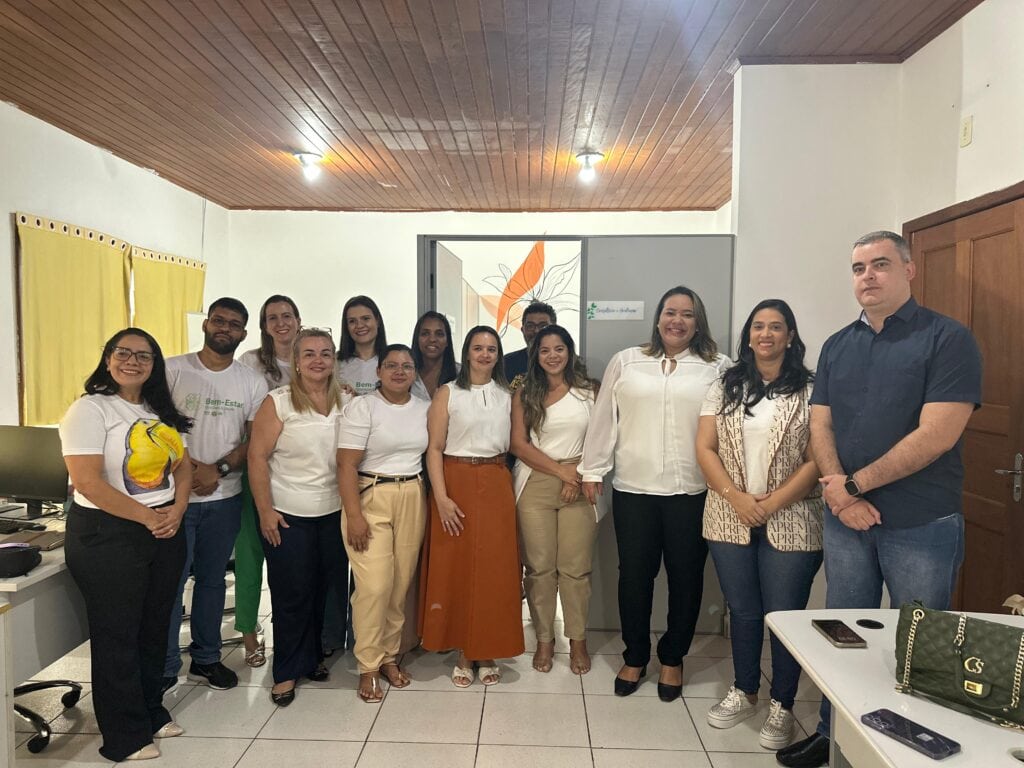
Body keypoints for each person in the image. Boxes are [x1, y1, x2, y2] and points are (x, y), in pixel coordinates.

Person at [777, 231, 982, 768]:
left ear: (909, 270)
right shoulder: (837, 345)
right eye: (858, 267)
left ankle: (912, 750)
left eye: (880, 264)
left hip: (920, 522)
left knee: (920, 645)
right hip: (846, 522)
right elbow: (821, 425)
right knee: (841, 636)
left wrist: (852, 487)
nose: (867, 276)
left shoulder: (947, 339)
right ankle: (833, 735)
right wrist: (841, 494)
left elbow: (937, 435)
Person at [580, 286, 728, 701]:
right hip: (634, 490)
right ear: (658, 318)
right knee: (634, 578)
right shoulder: (627, 361)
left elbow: (728, 427)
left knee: (686, 579)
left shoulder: (718, 367)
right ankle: (635, 655)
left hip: (692, 492)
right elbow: (604, 418)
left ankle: (673, 658)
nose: (677, 321)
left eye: (687, 314)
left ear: (698, 323)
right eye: (670, 312)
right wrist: (592, 469)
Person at [695, 299, 822, 750]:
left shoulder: (812, 389)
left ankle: (782, 703)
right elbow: (705, 447)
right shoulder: (724, 386)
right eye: (758, 326)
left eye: (776, 327)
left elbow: (816, 459)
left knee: (784, 616)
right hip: (728, 514)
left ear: (790, 336)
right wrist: (737, 498)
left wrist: (771, 504)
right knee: (744, 611)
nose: (765, 334)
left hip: (793, 516)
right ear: (748, 336)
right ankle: (745, 690)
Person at [60, 328, 192, 761]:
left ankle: (151, 711)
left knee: (153, 628)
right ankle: (124, 736)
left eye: (144, 356)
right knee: (117, 634)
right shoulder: (90, 409)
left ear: (155, 365)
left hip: (163, 529)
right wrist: (149, 518)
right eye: (124, 353)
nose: (132, 361)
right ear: (108, 358)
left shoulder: (158, 410)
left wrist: (178, 509)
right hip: (108, 535)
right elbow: (87, 481)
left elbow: (183, 466)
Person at [163, 298, 268, 693]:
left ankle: (206, 659)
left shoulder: (251, 381)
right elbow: (155, 427)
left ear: (243, 333)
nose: (225, 328)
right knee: (171, 585)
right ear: (206, 324)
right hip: (174, 498)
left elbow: (254, 439)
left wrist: (218, 469)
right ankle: (165, 666)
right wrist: (189, 469)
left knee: (211, 581)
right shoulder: (172, 370)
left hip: (224, 497)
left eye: (234, 324)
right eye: (219, 321)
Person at [247, 328, 349, 706]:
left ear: (334, 360)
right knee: (291, 594)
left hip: (333, 512)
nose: (317, 360)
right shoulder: (278, 403)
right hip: (289, 515)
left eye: (325, 353)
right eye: (309, 354)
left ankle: (312, 658)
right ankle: (286, 671)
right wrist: (265, 511)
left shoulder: (346, 401)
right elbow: (257, 457)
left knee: (322, 590)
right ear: (296, 361)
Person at [420, 325, 525, 686]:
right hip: (456, 481)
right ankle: (464, 649)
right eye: (478, 347)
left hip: (496, 480)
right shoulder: (448, 393)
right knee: (458, 568)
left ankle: (488, 647)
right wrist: (441, 497)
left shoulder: (507, 395)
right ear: (466, 352)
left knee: (495, 569)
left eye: (491, 349)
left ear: (498, 355)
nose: (484, 354)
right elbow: (434, 448)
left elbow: (516, 443)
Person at [337, 344, 430, 702]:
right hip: (371, 495)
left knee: (399, 585)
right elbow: (346, 464)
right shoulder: (363, 407)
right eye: (391, 365)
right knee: (374, 586)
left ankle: (390, 656)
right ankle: (368, 665)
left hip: (412, 494)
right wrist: (354, 515)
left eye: (407, 366)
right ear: (378, 372)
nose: (399, 372)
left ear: (414, 373)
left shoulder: (424, 408)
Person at [510, 325, 597, 675]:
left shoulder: (589, 391)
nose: (552, 356)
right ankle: (545, 640)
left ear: (569, 351)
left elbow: (603, 438)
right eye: (545, 350)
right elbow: (519, 444)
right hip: (535, 483)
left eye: (559, 348)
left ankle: (577, 640)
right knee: (540, 568)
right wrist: (562, 473)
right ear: (536, 355)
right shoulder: (524, 392)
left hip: (581, 482)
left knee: (575, 569)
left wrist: (577, 472)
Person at [235, 294, 301, 668]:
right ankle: (248, 632)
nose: (281, 323)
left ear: (298, 320)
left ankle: (292, 634)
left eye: (287, 315)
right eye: (272, 317)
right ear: (263, 326)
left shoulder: (311, 357)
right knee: (250, 557)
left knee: (290, 565)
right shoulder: (250, 364)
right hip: (256, 469)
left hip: (297, 475)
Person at [336, 295, 388, 395]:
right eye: (352, 321)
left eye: (365, 318)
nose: (359, 325)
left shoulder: (393, 360)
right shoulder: (334, 362)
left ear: (377, 321)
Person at [504, 301, 556, 385]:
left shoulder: (568, 362)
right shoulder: (506, 363)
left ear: (555, 330)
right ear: (523, 330)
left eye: (543, 326)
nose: (536, 331)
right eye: (530, 326)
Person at [410, 310, 459, 401]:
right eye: (425, 334)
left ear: (447, 341)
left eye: (439, 334)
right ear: (417, 339)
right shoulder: (406, 374)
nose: (432, 339)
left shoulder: (461, 374)